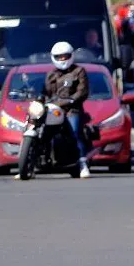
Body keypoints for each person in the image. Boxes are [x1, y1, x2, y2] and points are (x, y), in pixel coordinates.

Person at [43, 41, 91, 179]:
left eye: (65, 56)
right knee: (39, 128)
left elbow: (82, 91)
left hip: (72, 109)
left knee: (75, 132)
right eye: (59, 57)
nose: (62, 59)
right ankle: (29, 161)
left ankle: (83, 163)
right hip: (54, 109)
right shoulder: (51, 74)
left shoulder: (79, 71)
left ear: (71, 56)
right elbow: (46, 92)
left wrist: (71, 100)